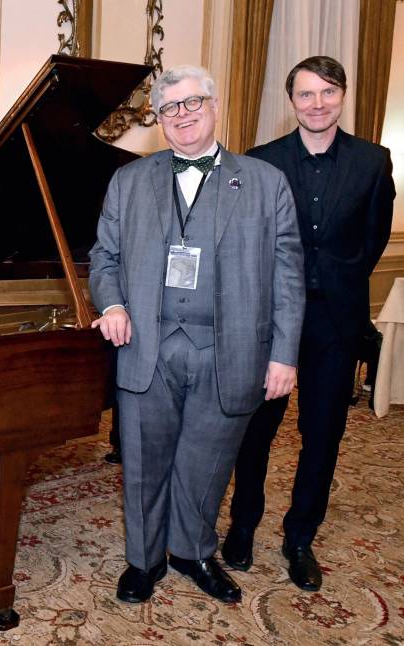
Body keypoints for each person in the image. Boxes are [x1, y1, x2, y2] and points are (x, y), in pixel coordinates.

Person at [89, 65, 305, 604]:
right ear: (158, 120)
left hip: (231, 351)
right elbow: (103, 259)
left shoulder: (264, 182)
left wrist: (283, 356)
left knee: (208, 464)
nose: (182, 116)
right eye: (169, 109)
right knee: (142, 461)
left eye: (192, 104)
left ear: (214, 106)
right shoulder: (129, 180)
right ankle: (143, 561)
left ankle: (192, 552)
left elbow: (288, 276)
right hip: (147, 349)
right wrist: (111, 303)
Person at [222, 56, 395, 591]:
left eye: (328, 92)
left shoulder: (373, 161)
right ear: (290, 100)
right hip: (272, 321)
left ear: (343, 95)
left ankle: (300, 538)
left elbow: (374, 240)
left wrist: (337, 282)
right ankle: (243, 525)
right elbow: (247, 242)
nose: (317, 103)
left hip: (336, 325)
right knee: (255, 433)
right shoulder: (261, 163)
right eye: (306, 94)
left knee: (323, 436)